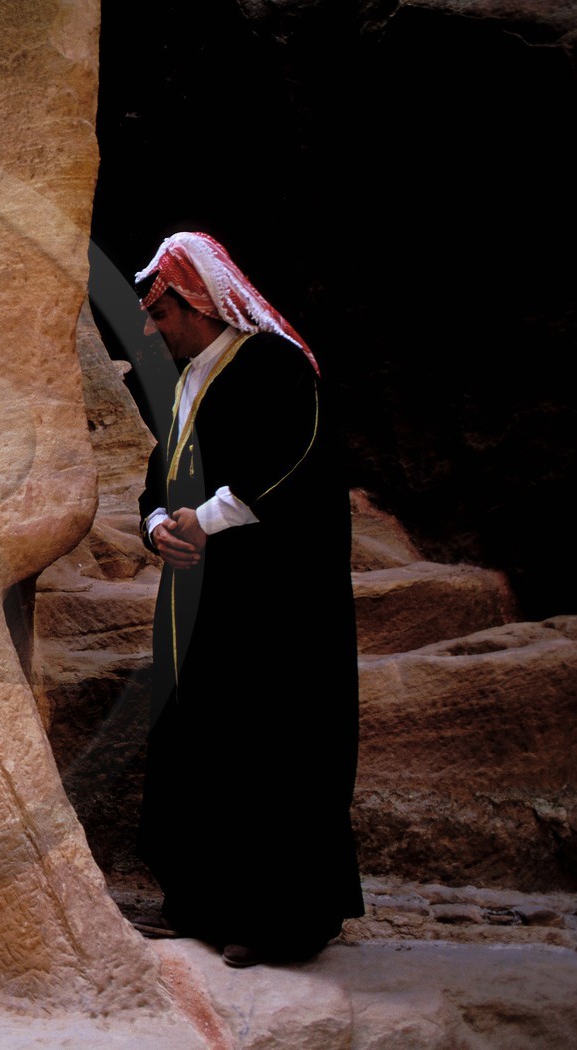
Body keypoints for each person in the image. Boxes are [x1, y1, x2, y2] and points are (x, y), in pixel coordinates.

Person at [131, 231, 363, 968]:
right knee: (201, 742)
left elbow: (298, 464)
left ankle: (274, 921)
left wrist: (205, 518)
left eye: (158, 312)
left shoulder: (276, 367)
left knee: (272, 746)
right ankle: (202, 904)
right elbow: (157, 477)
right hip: (203, 604)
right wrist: (159, 523)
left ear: (195, 303)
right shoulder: (187, 381)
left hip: (273, 609)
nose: (148, 328)